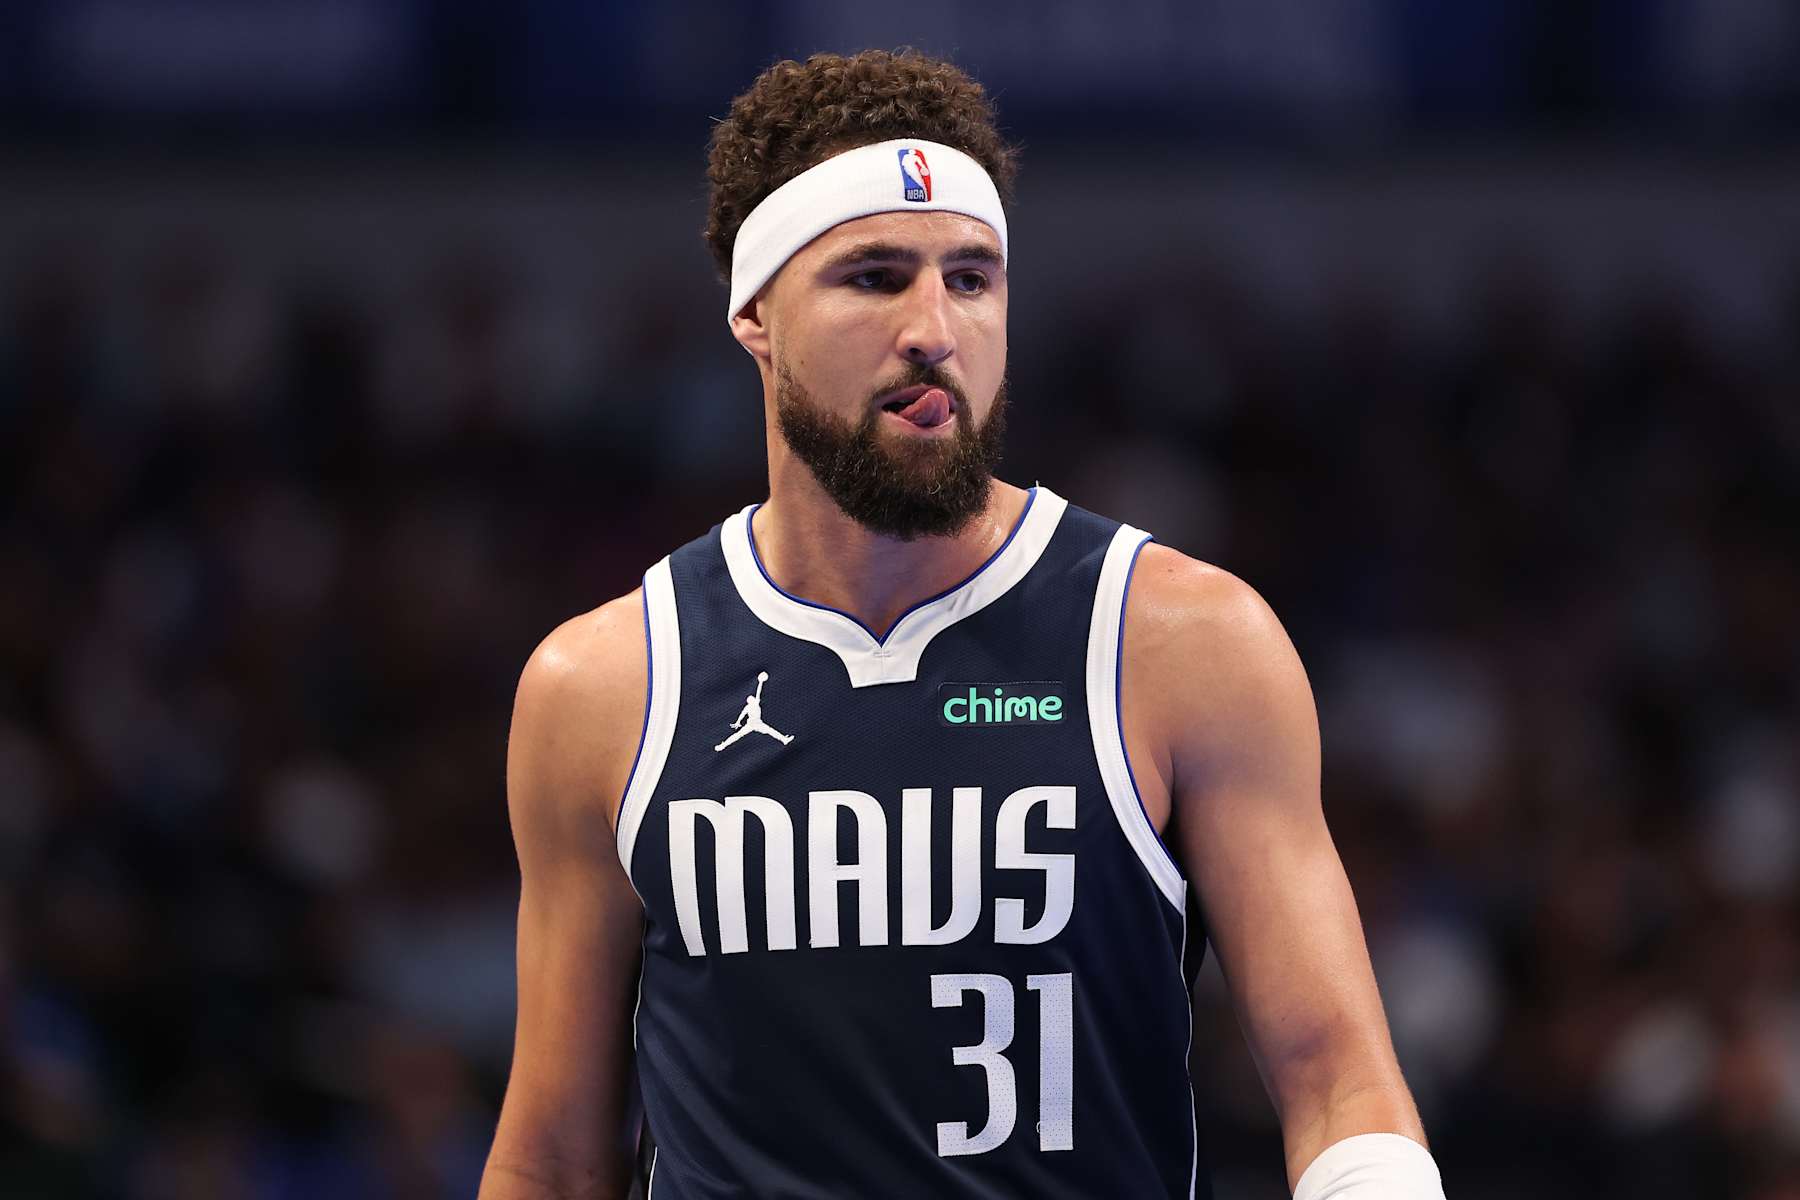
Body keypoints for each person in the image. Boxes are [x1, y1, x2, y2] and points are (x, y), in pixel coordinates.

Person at [478, 49, 1445, 1200]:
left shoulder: (1182, 643)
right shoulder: (603, 686)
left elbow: (1338, 1080)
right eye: (876, 277)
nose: (934, 327)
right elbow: (550, 1156)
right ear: (756, 317)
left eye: (972, 278)